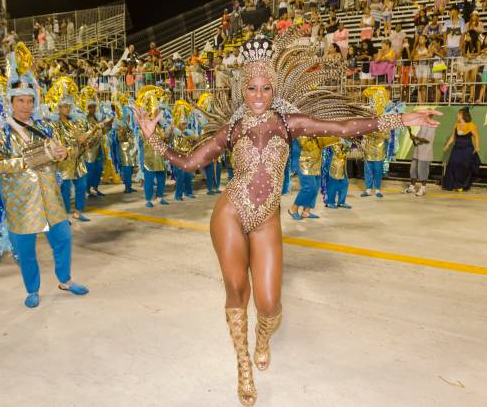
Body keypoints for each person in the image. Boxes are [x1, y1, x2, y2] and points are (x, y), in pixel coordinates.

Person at [134, 35, 439, 406]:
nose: (258, 95)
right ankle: (243, 364)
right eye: (251, 88)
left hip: (266, 220)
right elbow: (189, 162)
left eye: (265, 88)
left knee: (268, 304)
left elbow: (342, 128)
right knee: (236, 291)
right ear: (242, 89)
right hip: (229, 213)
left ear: (273, 89)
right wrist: (155, 139)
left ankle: (263, 336)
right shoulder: (231, 129)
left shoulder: (288, 122)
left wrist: (401, 118)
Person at [0, 43, 89, 307]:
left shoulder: (42, 129)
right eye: (20, 100)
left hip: (51, 199)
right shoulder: (1, 133)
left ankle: (65, 280)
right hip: (21, 202)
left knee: (63, 239)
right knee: (26, 251)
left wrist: (62, 153)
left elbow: (55, 153)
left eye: (30, 100)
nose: (26, 105)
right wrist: (26, 161)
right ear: (10, 102)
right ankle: (32, 289)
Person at [48, 78, 90, 222]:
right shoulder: (54, 125)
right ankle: (64, 216)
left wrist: (85, 143)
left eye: (69, 106)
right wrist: (76, 144)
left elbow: (82, 140)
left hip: (78, 160)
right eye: (65, 106)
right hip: (64, 163)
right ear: (58, 107)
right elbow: (58, 146)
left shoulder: (74, 123)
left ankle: (78, 212)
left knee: (82, 185)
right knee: (65, 190)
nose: (68, 108)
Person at [442, 107, 480, 191]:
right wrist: (447, 145)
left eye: (458, 114)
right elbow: (453, 137)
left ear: (463, 115)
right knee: (452, 163)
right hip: (457, 148)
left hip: (467, 148)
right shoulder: (457, 124)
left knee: (464, 166)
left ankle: (461, 185)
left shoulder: (471, 125)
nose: (457, 116)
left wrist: (477, 146)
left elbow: (476, 136)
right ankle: (451, 185)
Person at [404, 125, 436, 196]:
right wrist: (412, 137)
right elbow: (416, 142)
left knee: (423, 171)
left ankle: (423, 188)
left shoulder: (431, 126)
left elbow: (427, 140)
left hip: (425, 153)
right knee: (413, 170)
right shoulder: (421, 127)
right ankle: (412, 187)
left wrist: (415, 137)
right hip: (417, 152)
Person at [361, 131, 390, 198]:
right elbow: (364, 137)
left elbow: (387, 137)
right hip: (368, 152)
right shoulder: (368, 126)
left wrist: (376, 134)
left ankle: (377, 190)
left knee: (378, 172)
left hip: (379, 153)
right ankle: (368, 190)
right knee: (368, 172)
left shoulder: (384, 126)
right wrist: (363, 145)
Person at [325, 140, 352, 208]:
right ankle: (330, 202)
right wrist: (348, 146)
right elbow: (339, 154)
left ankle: (341, 202)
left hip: (342, 165)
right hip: (334, 165)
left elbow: (347, 154)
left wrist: (348, 144)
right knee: (333, 184)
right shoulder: (334, 139)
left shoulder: (345, 140)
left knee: (344, 183)